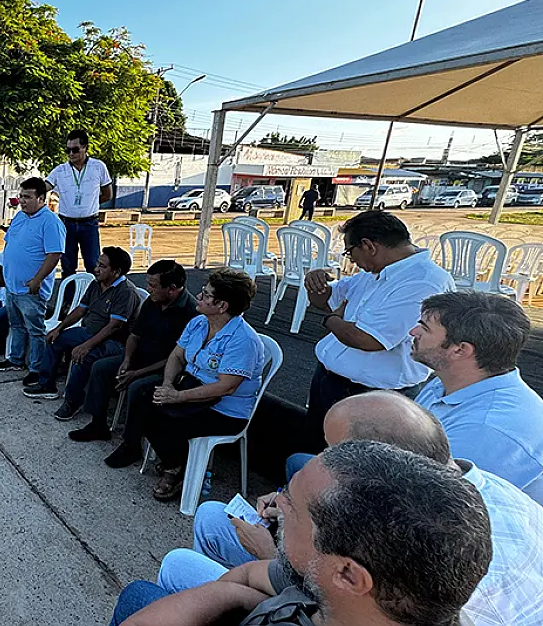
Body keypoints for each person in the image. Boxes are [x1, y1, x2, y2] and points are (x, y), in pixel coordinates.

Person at [173, 391, 543, 626]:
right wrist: (294, 504)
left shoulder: (452, 571)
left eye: (336, 452)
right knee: (213, 520)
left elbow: (351, 596)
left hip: (336, 599)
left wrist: (273, 553)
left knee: (179, 567)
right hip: (330, 588)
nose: (322, 456)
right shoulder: (463, 489)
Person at [111, 440, 493, 626]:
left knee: (136, 597)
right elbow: (251, 576)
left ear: (348, 574)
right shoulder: (349, 588)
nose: (275, 506)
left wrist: (232, 597)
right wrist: (232, 593)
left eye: (291, 508)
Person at [106, 269, 264, 505]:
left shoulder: (243, 340)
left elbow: (225, 388)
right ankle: (170, 458)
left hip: (224, 409)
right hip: (190, 388)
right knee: (142, 397)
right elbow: (177, 356)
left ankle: (175, 469)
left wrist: (176, 397)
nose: (198, 296)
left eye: (206, 295)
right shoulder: (199, 322)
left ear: (222, 306)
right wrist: (167, 385)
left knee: (162, 417)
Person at [301, 210, 454, 453]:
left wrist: (331, 320)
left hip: (373, 394)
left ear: (368, 246)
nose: (352, 261)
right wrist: (315, 283)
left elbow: (369, 339)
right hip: (334, 380)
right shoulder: (376, 272)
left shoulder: (423, 282)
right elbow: (327, 300)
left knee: (349, 464)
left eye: (350, 252)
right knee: (315, 450)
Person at [410, 291, 543, 503]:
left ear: (460, 350)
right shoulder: (446, 382)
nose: (413, 332)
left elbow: (435, 503)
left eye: (424, 328)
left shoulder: (485, 429)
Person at [69, 260, 199, 442]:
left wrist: (136, 373)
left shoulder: (191, 313)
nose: (148, 289)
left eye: (153, 286)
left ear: (171, 289)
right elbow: (135, 335)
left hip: (165, 368)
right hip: (139, 357)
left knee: (138, 387)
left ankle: (131, 443)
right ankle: (97, 424)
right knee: (100, 368)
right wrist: (127, 360)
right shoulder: (153, 302)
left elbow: (178, 358)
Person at [23, 248, 140, 412]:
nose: (96, 269)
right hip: (89, 332)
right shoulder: (96, 283)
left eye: (102, 266)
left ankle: (73, 401)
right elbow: (80, 310)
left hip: (113, 342)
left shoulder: (125, 292)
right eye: (97, 264)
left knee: (82, 356)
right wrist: (58, 328)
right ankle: (46, 385)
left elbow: (113, 327)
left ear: (116, 272)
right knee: (55, 339)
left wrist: (86, 346)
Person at [0, 177, 65, 385]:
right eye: (21, 196)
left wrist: (37, 279)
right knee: (16, 325)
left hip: (31, 289)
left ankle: (36, 369)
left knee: (35, 330)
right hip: (12, 285)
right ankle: (15, 359)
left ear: (41, 198)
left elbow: (54, 254)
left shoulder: (51, 222)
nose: (22, 201)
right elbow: (9, 244)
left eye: (27, 197)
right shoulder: (20, 216)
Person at [45, 129, 112, 278]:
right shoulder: (60, 170)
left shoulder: (98, 167)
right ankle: (68, 293)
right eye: (67, 150)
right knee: (67, 266)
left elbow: (108, 194)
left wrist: (91, 203)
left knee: (93, 265)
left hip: (89, 223)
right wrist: (30, 191)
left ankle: (94, 293)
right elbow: (45, 187)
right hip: (66, 223)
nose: (71, 154)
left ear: (85, 147)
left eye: (75, 150)